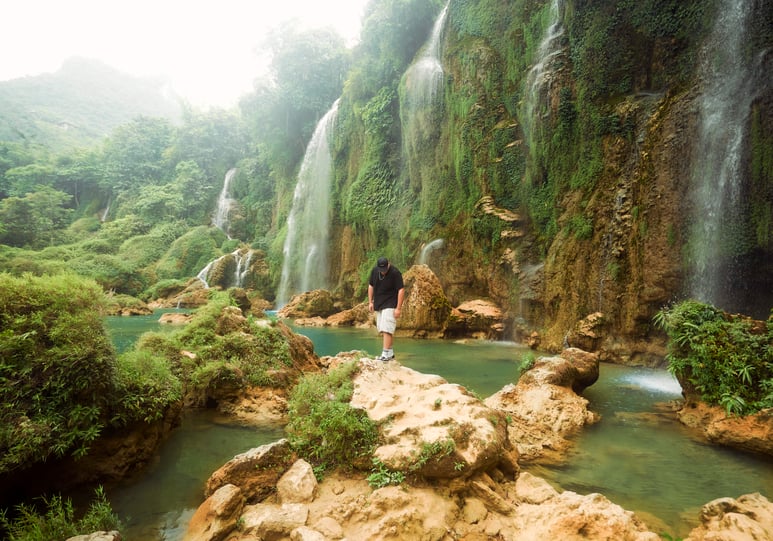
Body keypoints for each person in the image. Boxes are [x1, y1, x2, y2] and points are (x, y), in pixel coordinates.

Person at [368, 256, 404, 361]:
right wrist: (370, 302)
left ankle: (385, 354)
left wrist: (398, 308)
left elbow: (401, 290)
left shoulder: (395, 273)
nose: (383, 272)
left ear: (389, 264)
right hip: (379, 303)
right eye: (381, 270)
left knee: (387, 328)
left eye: (385, 269)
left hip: (391, 303)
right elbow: (371, 286)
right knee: (382, 328)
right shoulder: (375, 271)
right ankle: (390, 353)